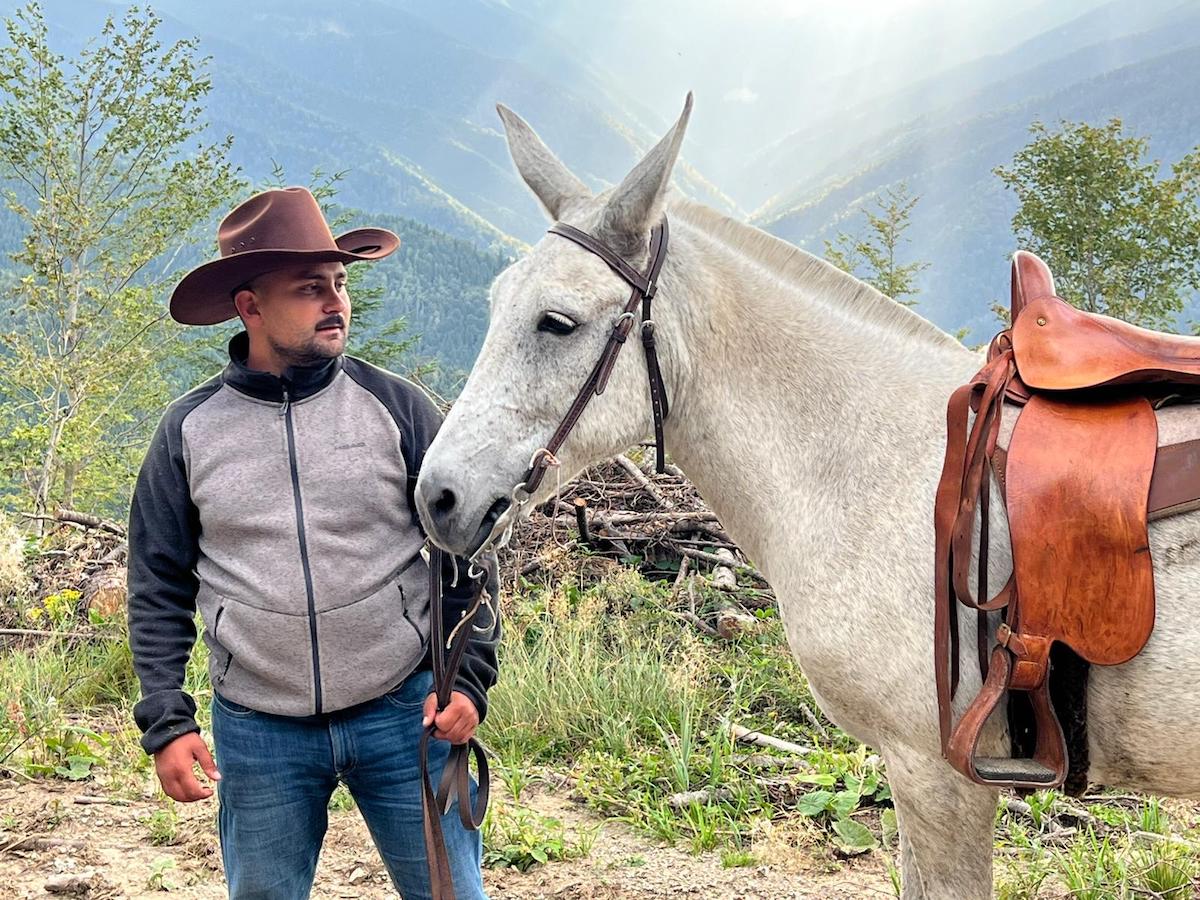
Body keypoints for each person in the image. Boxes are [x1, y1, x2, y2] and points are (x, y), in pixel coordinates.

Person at [126, 186, 498, 899]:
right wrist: (167, 721)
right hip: (259, 731)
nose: (335, 302)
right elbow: (157, 583)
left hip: (405, 711)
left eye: (339, 283)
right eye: (308, 288)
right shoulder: (188, 432)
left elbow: (467, 556)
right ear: (250, 307)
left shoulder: (395, 407)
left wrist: (471, 680)